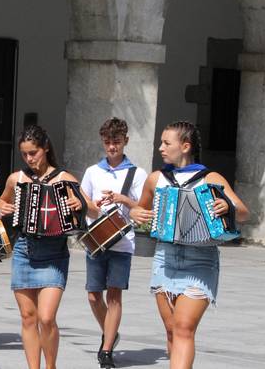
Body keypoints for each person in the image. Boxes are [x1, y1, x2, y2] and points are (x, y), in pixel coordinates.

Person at [130, 121, 249, 369]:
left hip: (200, 259)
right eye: (161, 142)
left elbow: (244, 213)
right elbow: (141, 208)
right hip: (165, 258)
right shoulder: (156, 179)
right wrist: (136, 214)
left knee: (184, 328)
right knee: (172, 330)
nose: (161, 147)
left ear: (185, 146)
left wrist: (228, 206)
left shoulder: (210, 178)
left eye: (166, 143)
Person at [0, 125, 97, 369]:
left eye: (34, 153)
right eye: (25, 154)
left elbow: (93, 209)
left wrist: (79, 203)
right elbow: (2, 200)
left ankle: (50, 366)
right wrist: (2, 207)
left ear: (46, 148)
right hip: (24, 250)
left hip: (54, 253)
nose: (30, 159)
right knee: (28, 317)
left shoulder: (64, 178)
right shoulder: (17, 179)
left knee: (46, 317)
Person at [80, 117, 148, 368]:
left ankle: (106, 349)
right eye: (108, 142)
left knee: (115, 296)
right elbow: (83, 204)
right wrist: (93, 206)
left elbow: (142, 207)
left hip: (122, 242)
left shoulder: (137, 173)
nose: (112, 147)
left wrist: (123, 199)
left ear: (125, 142)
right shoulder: (92, 172)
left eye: (116, 142)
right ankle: (110, 332)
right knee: (93, 296)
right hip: (96, 239)